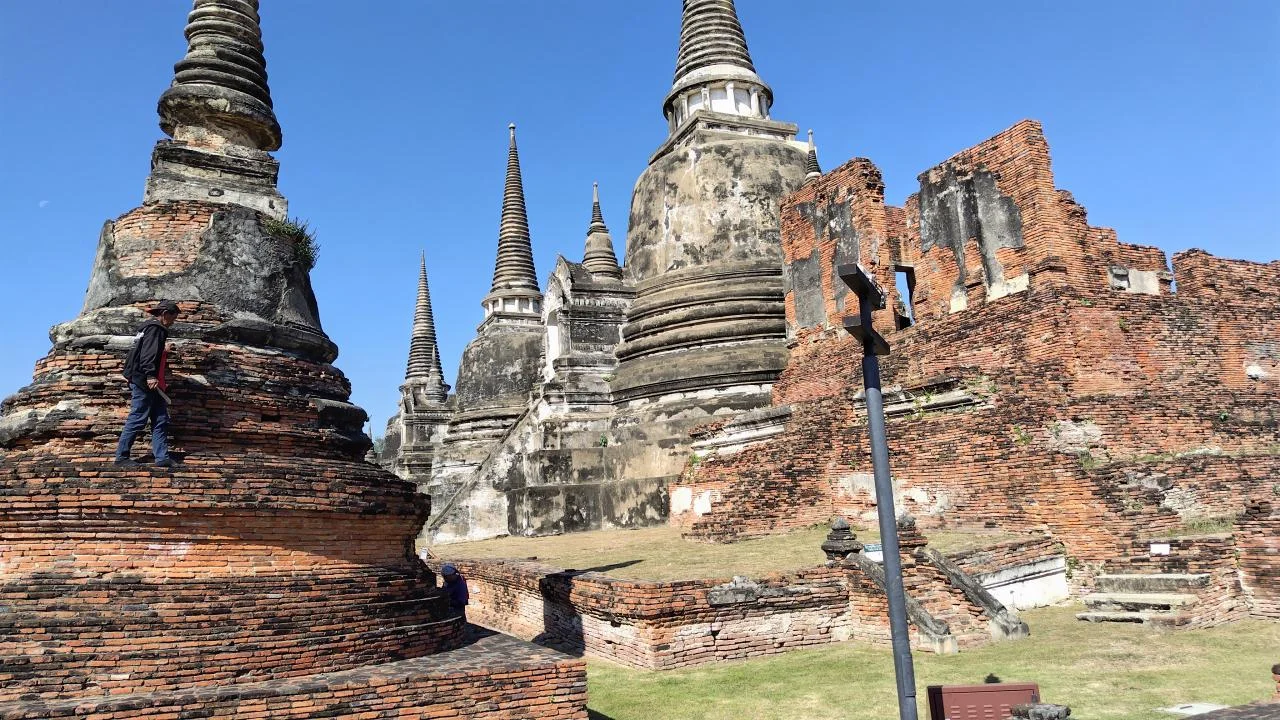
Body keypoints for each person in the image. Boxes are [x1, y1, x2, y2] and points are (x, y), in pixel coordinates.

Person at [114, 300, 179, 468]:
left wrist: (164, 351)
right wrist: (150, 375)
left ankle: (162, 457)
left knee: (160, 418)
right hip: (145, 380)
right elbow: (147, 355)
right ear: (165, 314)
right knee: (138, 417)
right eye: (173, 317)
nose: (173, 322)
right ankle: (121, 457)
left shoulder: (146, 328)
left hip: (146, 380)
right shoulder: (156, 329)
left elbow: (146, 350)